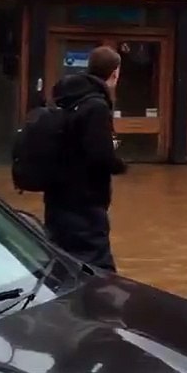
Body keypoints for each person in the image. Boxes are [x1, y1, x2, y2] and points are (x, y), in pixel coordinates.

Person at [42, 46, 127, 272]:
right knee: (98, 270)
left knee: (60, 261)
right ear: (114, 73)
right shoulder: (96, 106)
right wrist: (119, 165)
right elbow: (99, 155)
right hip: (85, 201)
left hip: (57, 197)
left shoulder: (66, 98)